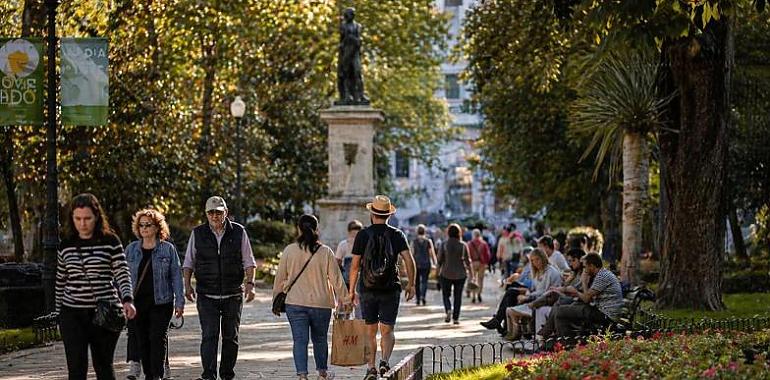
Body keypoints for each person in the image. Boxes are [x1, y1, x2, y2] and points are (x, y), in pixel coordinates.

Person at [56, 193, 137, 380]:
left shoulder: (110, 241)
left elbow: (122, 273)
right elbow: (60, 280)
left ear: (97, 217)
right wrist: (58, 312)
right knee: (76, 369)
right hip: (72, 313)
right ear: (72, 218)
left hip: (104, 312)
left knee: (103, 366)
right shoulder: (66, 244)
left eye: (87, 218)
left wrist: (127, 299)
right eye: (78, 218)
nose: (82, 223)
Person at [182, 196, 256, 380]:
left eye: (218, 212)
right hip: (207, 294)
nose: (215, 216)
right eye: (211, 212)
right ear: (206, 214)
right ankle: (208, 375)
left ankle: (227, 374)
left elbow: (249, 260)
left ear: (226, 213)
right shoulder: (198, 233)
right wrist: (187, 286)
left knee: (231, 337)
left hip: (233, 294)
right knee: (209, 336)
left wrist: (250, 284)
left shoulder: (239, 232)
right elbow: (189, 262)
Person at [348, 195, 416, 379]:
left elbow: (355, 265)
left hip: (367, 288)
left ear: (372, 214)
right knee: (387, 329)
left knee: (370, 330)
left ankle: (371, 368)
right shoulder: (396, 234)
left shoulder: (363, 235)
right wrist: (412, 284)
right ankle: (384, 361)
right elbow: (409, 260)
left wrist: (351, 291)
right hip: (390, 288)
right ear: (388, 215)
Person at [273, 214, 348, 380]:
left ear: (298, 229)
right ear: (317, 229)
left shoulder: (289, 250)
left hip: (295, 303)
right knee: (320, 340)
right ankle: (322, 373)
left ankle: (302, 376)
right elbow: (336, 279)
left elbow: (279, 278)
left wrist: (275, 300)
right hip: (321, 304)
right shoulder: (325, 252)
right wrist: (346, 299)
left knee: (300, 341)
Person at [125, 209, 184, 380]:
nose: (144, 228)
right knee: (142, 340)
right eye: (141, 225)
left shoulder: (168, 250)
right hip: (137, 304)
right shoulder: (131, 250)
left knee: (157, 338)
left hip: (162, 302)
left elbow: (176, 277)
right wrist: (122, 300)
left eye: (148, 225)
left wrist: (179, 302)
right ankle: (149, 373)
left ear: (157, 227)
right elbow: (121, 276)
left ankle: (156, 375)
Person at [544, 252, 624, 338]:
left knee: (560, 312)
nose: (584, 270)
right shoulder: (601, 274)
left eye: (585, 267)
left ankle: (565, 343)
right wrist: (575, 292)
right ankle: (556, 338)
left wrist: (583, 283)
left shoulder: (602, 276)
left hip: (606, 315)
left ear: (592, 266)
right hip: (601, 311)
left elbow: (586, 299)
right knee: (563, 307)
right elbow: (587, 297)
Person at [504, 248, 562, 339]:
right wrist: (526, 294)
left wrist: (527, 297)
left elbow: (545, 293)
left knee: (512, 309)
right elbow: (533, 289)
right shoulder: (537, 272)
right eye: (533, 260)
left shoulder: (551, 272)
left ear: (543, 258)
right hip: (536, 299)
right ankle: (514, 334)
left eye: (537, 259)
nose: (535, 263)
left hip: (545, 301)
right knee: (509, 310)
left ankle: (517, 335)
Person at [437, 223, 474, 324]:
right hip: (461, 274)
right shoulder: (463, 245)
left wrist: (437, 273)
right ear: (459, 233)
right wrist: (472, 275)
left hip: (446, 273)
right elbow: (468, 261)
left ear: (448, 232)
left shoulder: (444, 244)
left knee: (446, 295)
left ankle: (448, 309)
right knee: (458, 296)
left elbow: (439, 260)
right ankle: (456, 318)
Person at [335, 220, 364, 318]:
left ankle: (345, 325)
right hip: (360, 277)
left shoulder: (343, 244)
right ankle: (359, 325)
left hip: (346, 278)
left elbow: (337, 262)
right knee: (359, 303)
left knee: (345, 303)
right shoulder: (364, 243)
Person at [411, 224, 437, 306]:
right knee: (424, 281)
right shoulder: (428, 241)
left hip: (416, 264)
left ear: (417, 232)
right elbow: (431, 253)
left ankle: (418, 299)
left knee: (417, 282)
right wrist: (435, 263)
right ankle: (423, 296)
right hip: (426, 264)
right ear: (424, 231)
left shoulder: (414, 241)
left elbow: (412, 253)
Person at [467, 229, 490, 303]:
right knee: (480, 279)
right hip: (482, 263)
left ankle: (473, 295)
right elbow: (488, 255)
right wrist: (486, 262)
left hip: (473, 263)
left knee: (473, 279)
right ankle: (479, 293)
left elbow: (467, 255)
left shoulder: (469, 244)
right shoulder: (483, 243)